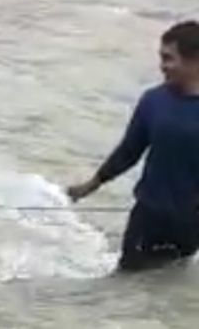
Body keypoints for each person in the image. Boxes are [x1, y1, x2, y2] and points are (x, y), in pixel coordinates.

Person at [67, 21, 199, 272]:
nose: (162, 66)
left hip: (191, 225)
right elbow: (129, 152)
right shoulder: (154, 101)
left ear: (194, 60)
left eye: (168, 58)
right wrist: (90, 186)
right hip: (147, 216)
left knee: (170, 289)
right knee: (126, 281)